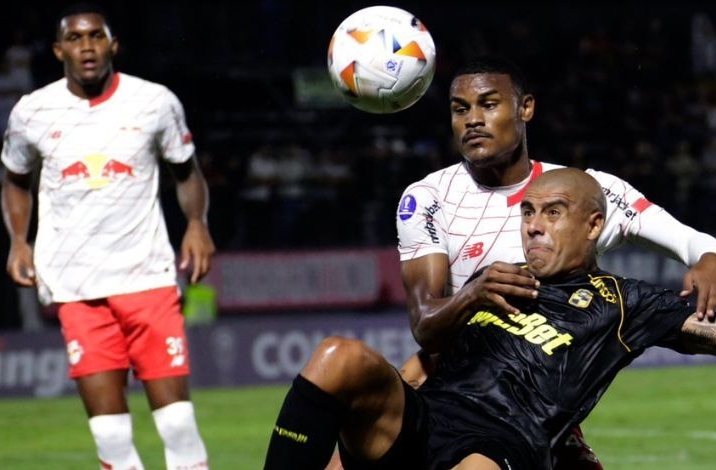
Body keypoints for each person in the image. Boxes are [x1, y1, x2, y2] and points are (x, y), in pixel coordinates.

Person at [324, 55, 716, 470]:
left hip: (530, 406)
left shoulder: (586, 190)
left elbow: (693, 243)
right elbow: (427, 327)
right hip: (448, 383)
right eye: (461, 109)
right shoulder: (428, 197)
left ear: (525, 108)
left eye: (488, 104)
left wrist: (709, 258)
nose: (473, 119)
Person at [263, 168, 716, 470]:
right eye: (528, 212)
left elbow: (703, 329)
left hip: (503, 443)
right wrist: (364, 414)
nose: (534, 225)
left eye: (552, 213)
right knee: (337, 356)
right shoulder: (496, 279)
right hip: (427, 419)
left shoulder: (623, 301)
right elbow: (428, 360)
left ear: (594, 225)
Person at [0, 4, 215, 469]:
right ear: (59, 50)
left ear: (112, 45)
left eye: (96, 36)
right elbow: (15, 179)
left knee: (177, 424)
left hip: (147, 280)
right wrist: (20, 239)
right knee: (111, 436)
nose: (87, 46)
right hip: (76, 288)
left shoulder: (155, 102)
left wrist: (197, 224)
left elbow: (185, 170)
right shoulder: (31, 112)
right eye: (75, 39)